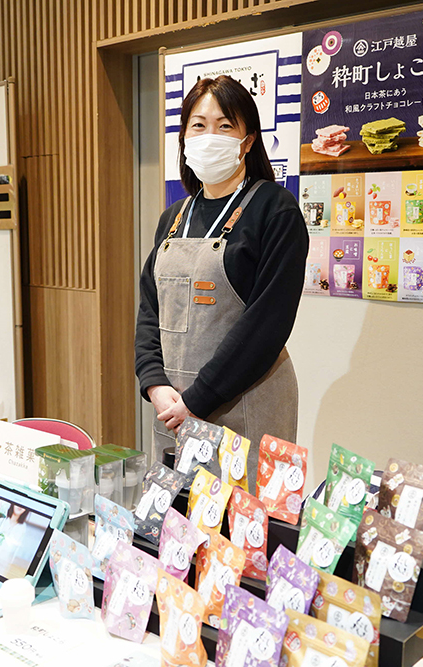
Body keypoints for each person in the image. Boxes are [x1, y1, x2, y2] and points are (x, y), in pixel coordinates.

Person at [135, 75, 308, 491]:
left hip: (246, 403)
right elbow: (148, 312)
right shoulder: (173, 217)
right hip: (174, 408)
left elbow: (267, 324)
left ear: (247, 141)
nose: (209, 135)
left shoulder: (275, 209)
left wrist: (199, 399)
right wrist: (155, 385)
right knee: (182, 534)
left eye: (224, 125)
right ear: (184, 137)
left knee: (245, 535)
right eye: (198, 125)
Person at [0, 498, 30, 572]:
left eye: (24, 506)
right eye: (19, 503)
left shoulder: (22, 527)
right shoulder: (2, 519)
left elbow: (14, 551)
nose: (20, 506)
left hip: (3, 565)